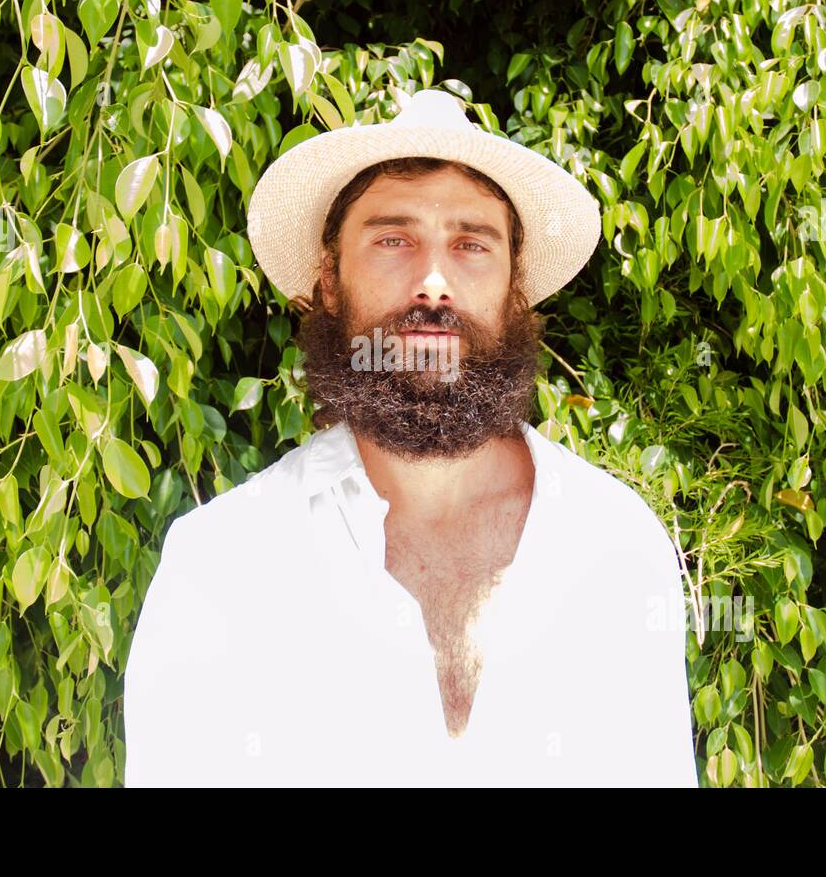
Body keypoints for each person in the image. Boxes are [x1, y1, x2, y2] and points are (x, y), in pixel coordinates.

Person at [122, 88, 698, 786]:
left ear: (515, 285)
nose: (433, 283)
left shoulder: (615, 547)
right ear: (329, 282)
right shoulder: (220, 567)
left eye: (471, 244)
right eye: (393, 239)